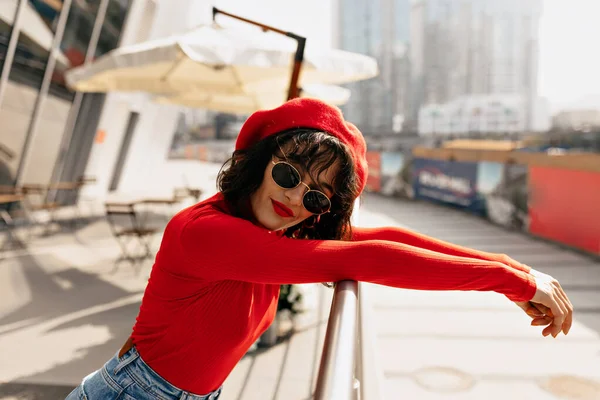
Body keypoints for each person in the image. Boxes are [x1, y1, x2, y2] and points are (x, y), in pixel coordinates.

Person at [66, 98, 573, 400]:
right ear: (261, 162)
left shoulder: (273, 231)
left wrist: (512, 268)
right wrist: (516, 284)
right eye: (287, 173)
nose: (293, 196)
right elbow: (363, 259)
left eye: (314, 194)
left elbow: (381, 239)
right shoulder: (210, 232)